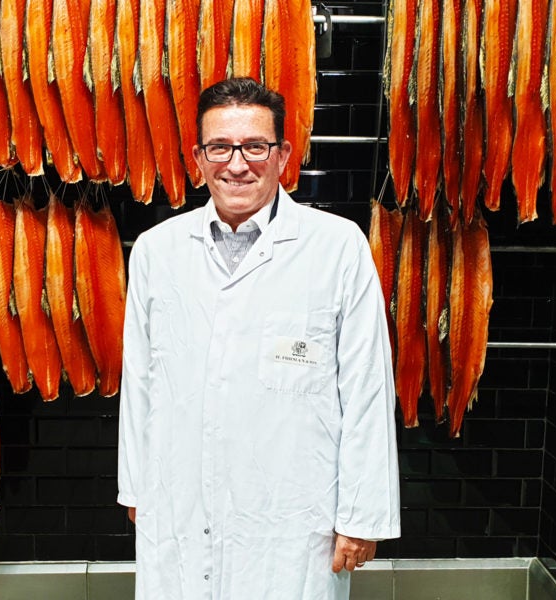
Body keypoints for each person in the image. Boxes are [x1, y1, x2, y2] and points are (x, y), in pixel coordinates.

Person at [117, 77, 400, 599]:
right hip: (181, 501)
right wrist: (135, 486)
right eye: (220, 147)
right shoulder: (158, 251)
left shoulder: (337, 247)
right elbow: (139, 381)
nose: (237, 163)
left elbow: (366, 389)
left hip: (292, 517)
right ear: (199, 157)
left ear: (283, 154)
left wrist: (362, 515)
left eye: (255, 146)